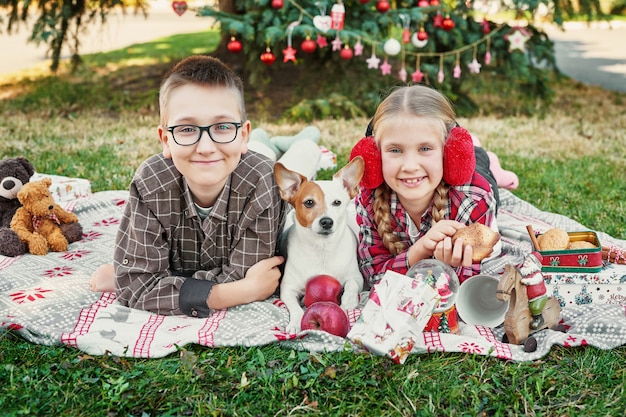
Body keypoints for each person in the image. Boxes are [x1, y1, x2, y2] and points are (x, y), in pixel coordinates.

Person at [89, 55, 288, 318]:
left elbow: (245, 272)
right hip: (232, 158)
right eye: (186, 129)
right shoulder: (151, 182)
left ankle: (294, 142)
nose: (205, 148)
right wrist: (242, 291)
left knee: (298, 158)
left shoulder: (263, 180)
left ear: (242, 135)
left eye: (223, 126)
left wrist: (160, 280)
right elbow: (137, 287)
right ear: (165, 140)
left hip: (254, 162)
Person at [350, 84, 500, 287]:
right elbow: (374, 277)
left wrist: (448, 266)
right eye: (395, 150)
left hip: (476, 176)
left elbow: (475, 281)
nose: (410, 166)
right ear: (375, 156)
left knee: (481, 160)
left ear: (446, 150)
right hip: (434, 175)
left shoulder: (475, 198)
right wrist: (418, 251)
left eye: (425, 148)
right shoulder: (369, 198)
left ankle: (483, 155)